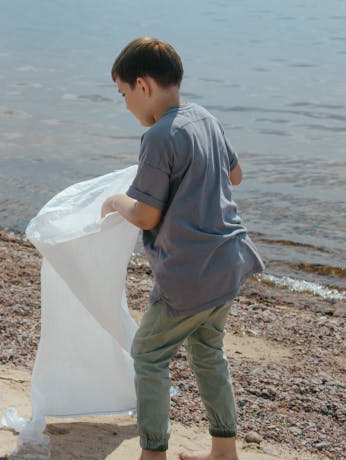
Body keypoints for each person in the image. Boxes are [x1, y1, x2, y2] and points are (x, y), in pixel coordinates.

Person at [101, 37, 265, 460]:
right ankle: (224, 450)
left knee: (149, 354)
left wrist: (116, 201)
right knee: (208, 352)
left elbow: (146, 216)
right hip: (229, 260)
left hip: (190, 272)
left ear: (143, 86)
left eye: (123, 94)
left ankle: (152, 454)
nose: (125, 106)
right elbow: (237, 175)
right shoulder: (205, 118)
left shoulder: (159, 137)